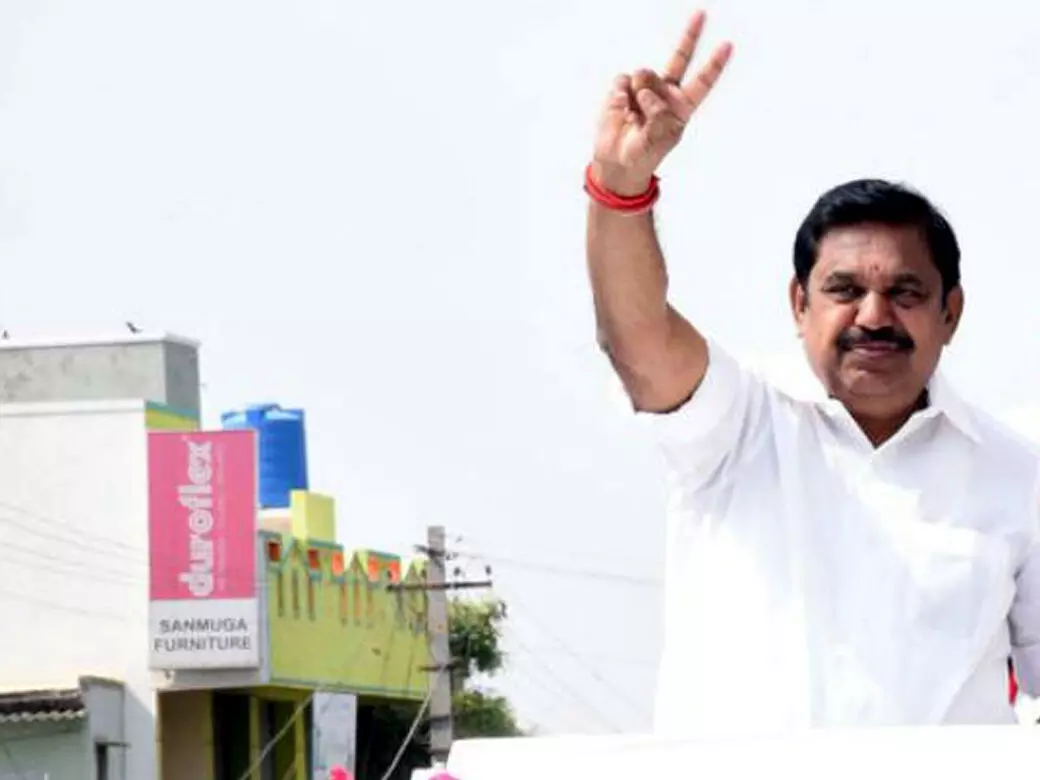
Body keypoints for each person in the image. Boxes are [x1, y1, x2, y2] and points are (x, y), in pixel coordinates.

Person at [585, 9, 1040, 735]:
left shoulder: (1018, 476)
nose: (874, 316)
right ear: (799, 304)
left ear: (951, 312)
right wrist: (620, 185)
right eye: (844, 289)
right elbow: (637, 340)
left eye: (906, 292)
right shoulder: (736, 425)